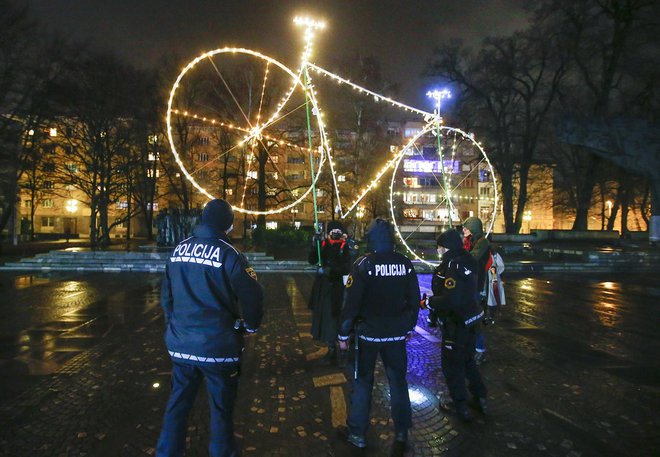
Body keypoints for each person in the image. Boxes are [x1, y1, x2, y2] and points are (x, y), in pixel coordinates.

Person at [156, 198, 264, 457]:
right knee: (221, 409)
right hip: (218, 346)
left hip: (182, 344)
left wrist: (176, 325)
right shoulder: (230, 254)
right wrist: (251, 326)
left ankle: (167, 452)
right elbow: (253, 296)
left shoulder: (179, 249)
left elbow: (166, 295)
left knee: (178, 404)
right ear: (227, 225)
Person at [336, 218, 420, 451]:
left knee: (363, 382)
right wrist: (409, 326)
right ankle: (402, 431)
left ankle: (357, 433)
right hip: (395, 333)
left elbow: (351, 303)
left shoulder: (364, 263)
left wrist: (343, 333)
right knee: (398, 382)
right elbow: (414, 299)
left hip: (369, 334)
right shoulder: (404, 263)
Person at [428, 229, 487, 421]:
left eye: (439, 248)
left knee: (452, 365)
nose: (438, 251)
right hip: (473, 318)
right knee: (468, 360)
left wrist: (430, 303)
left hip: (456, 322)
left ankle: (460, 405)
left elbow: (450, 298)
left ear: (445, 248)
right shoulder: (469, 259)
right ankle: (480, 397)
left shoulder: (451, 265)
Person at [307, 220, 352, 364]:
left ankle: (342, 350)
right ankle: (331, 348)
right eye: (333, 232)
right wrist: (315, 244)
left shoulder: (345, 247)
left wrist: (330, 271)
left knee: (336, 319)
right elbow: (312, 260)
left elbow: (346, 267)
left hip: (337, 290)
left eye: (338, 232)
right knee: (326, 320)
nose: (335, 235)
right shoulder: (324, 245)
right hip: (324, 288)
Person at [462, 216, 490, 365]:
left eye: (466, 228)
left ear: (473, 228)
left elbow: (472, 258)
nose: (463, 230)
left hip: (477, 286)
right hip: (469, 285)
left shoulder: (482, 243)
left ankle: (480, 350)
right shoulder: (469, 242)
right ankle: (471, 347)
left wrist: (459, 254)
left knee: (474, 320)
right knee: (467, 318)